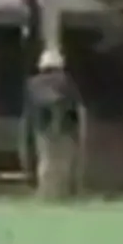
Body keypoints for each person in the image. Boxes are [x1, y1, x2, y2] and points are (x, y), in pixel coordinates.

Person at [22, 49, 82, 199]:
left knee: (45, 162)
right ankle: (62, 193)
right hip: (66, 127)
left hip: (42, 127)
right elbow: (75, 103)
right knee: (63, 162)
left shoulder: (32, 83)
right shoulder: (66, 81)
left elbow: (30, 107)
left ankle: (46, 194)